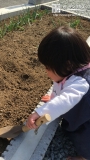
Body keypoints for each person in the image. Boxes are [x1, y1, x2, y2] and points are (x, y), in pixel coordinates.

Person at [26, 26, 90, 160]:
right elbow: (61, 90)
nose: (46, 71)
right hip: (81, 111)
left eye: (48, 68)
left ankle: (84, 157)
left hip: (86, 120)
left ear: (67, 65)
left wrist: (40, 112)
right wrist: (53, 99)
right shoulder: (70, 70)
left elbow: (65, 100)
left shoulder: (81, 83)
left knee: (85, 139)